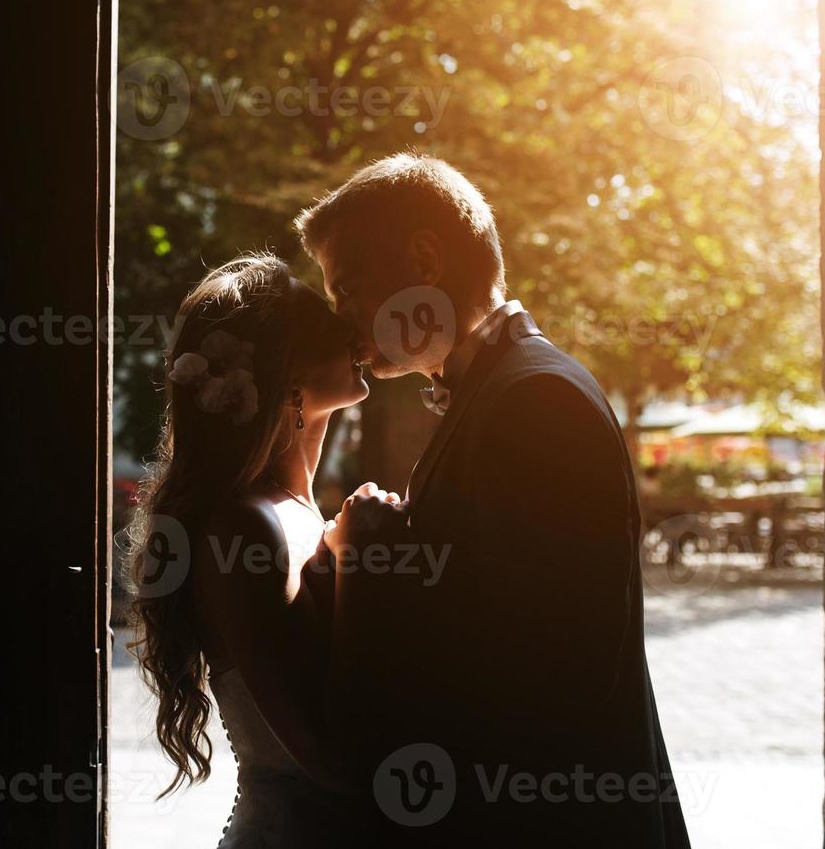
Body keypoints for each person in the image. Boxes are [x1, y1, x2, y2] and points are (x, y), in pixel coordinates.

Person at [297, 152, 692, 846]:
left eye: (349, 289)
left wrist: (374, 560)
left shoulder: (536, 400)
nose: (341, 322)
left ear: (425, 259)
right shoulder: (501, 391)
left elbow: (556, 672)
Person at [123, 253, 384, 847]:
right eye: (323, 318)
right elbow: (328, 758)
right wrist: (363, 561)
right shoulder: (244, 528)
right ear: (283, 372)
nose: (349, 330)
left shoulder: (292, 509)